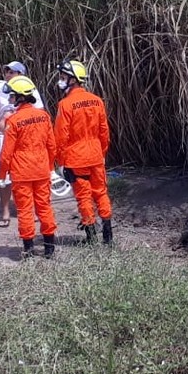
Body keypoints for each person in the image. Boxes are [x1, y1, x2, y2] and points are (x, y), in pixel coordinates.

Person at [53, 59, 113, 245]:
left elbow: (61, 136)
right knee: (101, 193)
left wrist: (60, 162)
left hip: (75, 158)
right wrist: (101, 153)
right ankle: (108, 236)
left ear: (73, 79)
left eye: (63, 77)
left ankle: (91, 236)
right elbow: (104, 132)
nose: (61, 80)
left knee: (84, 196)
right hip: (95, 155)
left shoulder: (66, 104)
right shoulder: (97, 101)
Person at [0, 75, 58, 259]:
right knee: (44, 208)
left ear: (20, 96)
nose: (10, 99)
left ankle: (29, 249)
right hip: (41, 170)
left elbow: (6, 153)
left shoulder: (14, 121)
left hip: (22, 172)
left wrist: (2, 174)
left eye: (12, 96)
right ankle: (49, 249)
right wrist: (49, 167)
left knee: (25, 211)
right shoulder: (44, 116)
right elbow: (52, 146)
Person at [0, 60, 45, 227]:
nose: (8, 74)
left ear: (20, 74)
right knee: (3, 172)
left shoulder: (29, 87)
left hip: (23, 136)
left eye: (12, 71)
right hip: (3, 136)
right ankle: (5, 211)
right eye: (6, 71)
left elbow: (39, 111)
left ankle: (29, 209)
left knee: (25, 171)